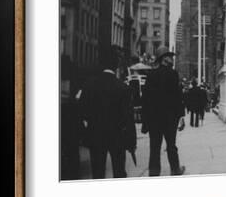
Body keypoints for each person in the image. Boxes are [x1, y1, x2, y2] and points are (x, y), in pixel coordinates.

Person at [79, 51, 136, 179]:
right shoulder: (123, 88)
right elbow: (128, 117)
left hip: (96, 134)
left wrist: (87, 130)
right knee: (119, 171)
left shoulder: (89, 85)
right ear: (116, 66)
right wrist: (131, 142)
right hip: (117, 136)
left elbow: (82, 111)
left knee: (98, 172)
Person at [141, 46, 186, 176]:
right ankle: (175, 169)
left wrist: (145, 121)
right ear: (164, 59)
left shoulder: (151, 75)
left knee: (154, 148)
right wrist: (181, 116)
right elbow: (178, 97)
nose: (172, 58)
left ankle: (154, 173)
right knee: (171, 145)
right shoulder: (173, 74)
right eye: (170, 56)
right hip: (170, 119)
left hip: (154, 119)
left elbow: (145, 100)